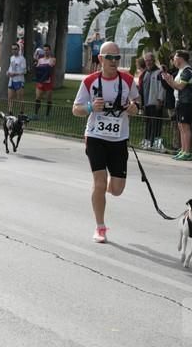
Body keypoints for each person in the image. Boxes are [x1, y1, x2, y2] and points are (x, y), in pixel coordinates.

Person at [72, 41, 140, 243]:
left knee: (117, 189)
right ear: (100, 59)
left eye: (117, 58)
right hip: (95, 137)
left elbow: (137, 103)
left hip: (119, 139)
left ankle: (98, 190)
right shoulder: (90, 81)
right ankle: (100, 227)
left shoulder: (128, 80)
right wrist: (91, 108)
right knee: (100, 183)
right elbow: (76, 109)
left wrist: (134, 108)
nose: (113, 61)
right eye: (109, 57)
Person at [162, 50, 192, 161]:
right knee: (181, 126)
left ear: (181, 58)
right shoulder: (180, 70)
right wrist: (169, 80)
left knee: (185, 127)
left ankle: (187, 152)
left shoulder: (187, 71)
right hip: (179, 101)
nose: (173, 60)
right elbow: (176, 86)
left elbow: (180, 86)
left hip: (186, 102)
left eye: (175, 58)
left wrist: (170, 80)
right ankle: (183, 149)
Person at [139, 52, 165, 150]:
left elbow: (162, 87)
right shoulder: (145, 73)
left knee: (156, 123)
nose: (148, 62)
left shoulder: (159, 73)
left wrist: (160, 99)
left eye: (150, 60)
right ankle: (147, 141)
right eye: (146, 61)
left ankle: (156, 143)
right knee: (148, 123)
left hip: (155, 102)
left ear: (153, 61)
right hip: (146, 103)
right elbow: (141, 89)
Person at [34, 44, 56, 118]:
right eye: (44, 50)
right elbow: (37, 69)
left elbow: (49, 68)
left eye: (47, 50)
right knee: (38, 97)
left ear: (49, 50)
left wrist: (41, 67)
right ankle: (36, 113)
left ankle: (47, 114)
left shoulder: (52, 59)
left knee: (48, 98)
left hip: (48, 82)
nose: (45, 52)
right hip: (40, 81)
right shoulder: (40, 60)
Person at [7, 43, 26, 115]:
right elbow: (10, 67)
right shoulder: (11, 58)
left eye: (15, 49)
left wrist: (15, 74)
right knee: (10, 97)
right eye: (12, 49)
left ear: (18, 49)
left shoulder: (22, 59)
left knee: (20, 98)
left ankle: (21, 113)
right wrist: (8, 72)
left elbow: (24, 71)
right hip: (11, 80)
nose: (14, 50)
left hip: (19, 80)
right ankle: (10, 112)